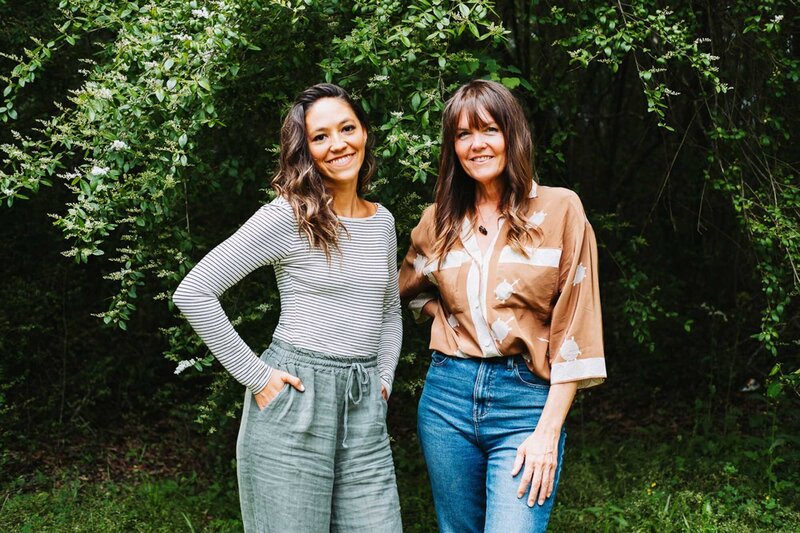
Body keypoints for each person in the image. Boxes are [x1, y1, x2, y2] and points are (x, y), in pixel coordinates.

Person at [173, 83, 402, 533]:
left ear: (364, 133)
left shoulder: (384, 222)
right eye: (320, 137)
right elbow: (195, 291)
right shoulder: (288, 216)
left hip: (363, 405)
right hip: (296, 398)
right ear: (306, 150)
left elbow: (389, 313)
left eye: (347, 128)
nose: (337, 144)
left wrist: (384, 381)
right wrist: (257, 377)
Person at [399, 79, 606, 533]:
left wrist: (548, 432)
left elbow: (576, 328)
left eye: (489, 129)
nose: (477, 145)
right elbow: (406, 288)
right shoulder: (439, 220)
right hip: (446, 398)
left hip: (525, 400)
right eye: (462, 134)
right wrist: (442, 316)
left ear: (513, 135)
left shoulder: (560, 210)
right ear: (452, 146)